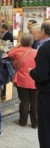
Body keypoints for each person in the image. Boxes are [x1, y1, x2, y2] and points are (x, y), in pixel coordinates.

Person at [8, 33, 37, 128]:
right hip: (34, 80)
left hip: (22, 80)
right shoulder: (36, 52)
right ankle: (35, 123)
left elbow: (9, 54)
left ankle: (23, 121)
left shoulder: (17, 51)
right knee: (35, 102)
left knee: (24, 101)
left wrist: (17, 46)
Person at [30, 20, 50, 148]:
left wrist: (32, 72)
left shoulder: (44, 48)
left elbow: (41, 75)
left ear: (42, 32)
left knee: (45, 128)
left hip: (47, 93)